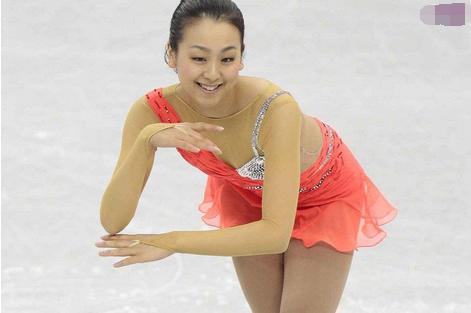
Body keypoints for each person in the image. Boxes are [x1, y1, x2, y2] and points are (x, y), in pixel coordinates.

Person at [95, 1, 398, 312]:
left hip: (323, 196)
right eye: (198, 58)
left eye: (227, 58)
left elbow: (274, 235)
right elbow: (112, 219)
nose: (212, 74)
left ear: (241, 57)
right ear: (171, 53)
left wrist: (171, 241)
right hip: (246, 196)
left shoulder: (276, 110)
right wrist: (147, 140)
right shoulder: (150, 111)